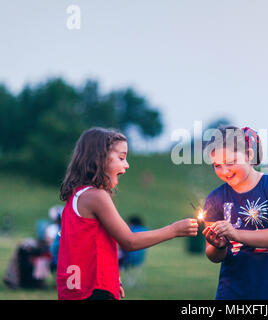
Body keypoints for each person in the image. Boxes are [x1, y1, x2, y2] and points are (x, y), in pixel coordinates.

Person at [56, 127, 198, 300]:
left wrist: (112, 279)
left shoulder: (78, 195)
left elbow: (92, 247)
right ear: (99, 158)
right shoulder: (96, 196)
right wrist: (174, 230)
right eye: (121, 158)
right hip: (91, 293)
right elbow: (129, 241)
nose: (127, 164)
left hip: (81, 289)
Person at [202, 126, 268, 300]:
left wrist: (235, 234)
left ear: (248, 155)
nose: (224, 171)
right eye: (217, 165)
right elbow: (213, 255)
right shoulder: (215, 198)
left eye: (230, 162)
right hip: (233, 290)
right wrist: (218, 245)